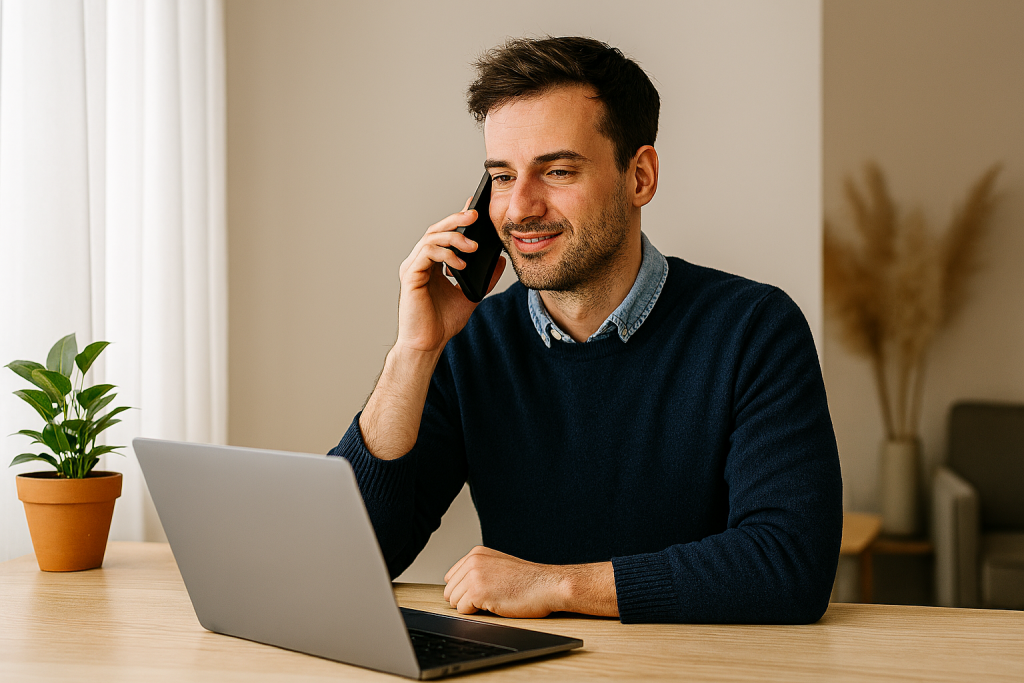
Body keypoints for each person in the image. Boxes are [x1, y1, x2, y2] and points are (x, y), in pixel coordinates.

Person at [329, 36, 843, 624]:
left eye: (558, 170)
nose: (520, 207)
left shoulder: (754, 329)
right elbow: (348, 560)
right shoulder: (471, 341)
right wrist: (415, 352)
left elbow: (789, 565)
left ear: (640, 176)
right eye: (501, 176)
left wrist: (556, 587)